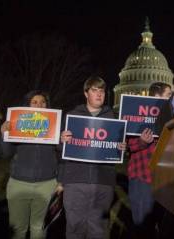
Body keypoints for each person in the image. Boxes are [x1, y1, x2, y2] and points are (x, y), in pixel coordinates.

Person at [57, 76, 126, 239]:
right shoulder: (72, 116)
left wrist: (122, 148)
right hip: (76, 181)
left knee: (99, 230)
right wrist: (61, 141)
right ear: (86, 93)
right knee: (74, 228)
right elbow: (61, 150)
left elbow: (117, 152)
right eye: (94, 90)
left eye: (101, 91)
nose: (99, 94)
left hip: (103, 182)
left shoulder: (113, 118)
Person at [0, 90, 59, 239]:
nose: (39, 105)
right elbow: (5, 153)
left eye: (43, 102)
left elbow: (63, 155)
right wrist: (3, 134)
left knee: (39, 229)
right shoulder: (17, 123)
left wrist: (64, 140)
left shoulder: (55, 125)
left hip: (47, 184)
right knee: (18, 229)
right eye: (35, 102)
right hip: (19, 184)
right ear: (28, 105)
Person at [126, 82, 172, 239]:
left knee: (164, 226)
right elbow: (126, 144)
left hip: (165, 179)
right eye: (168, 95)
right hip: (142, 177)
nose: (171, 98)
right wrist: (142, 142)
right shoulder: (136, 115)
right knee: (142, 226)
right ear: (157, 96)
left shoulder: (170, 115)